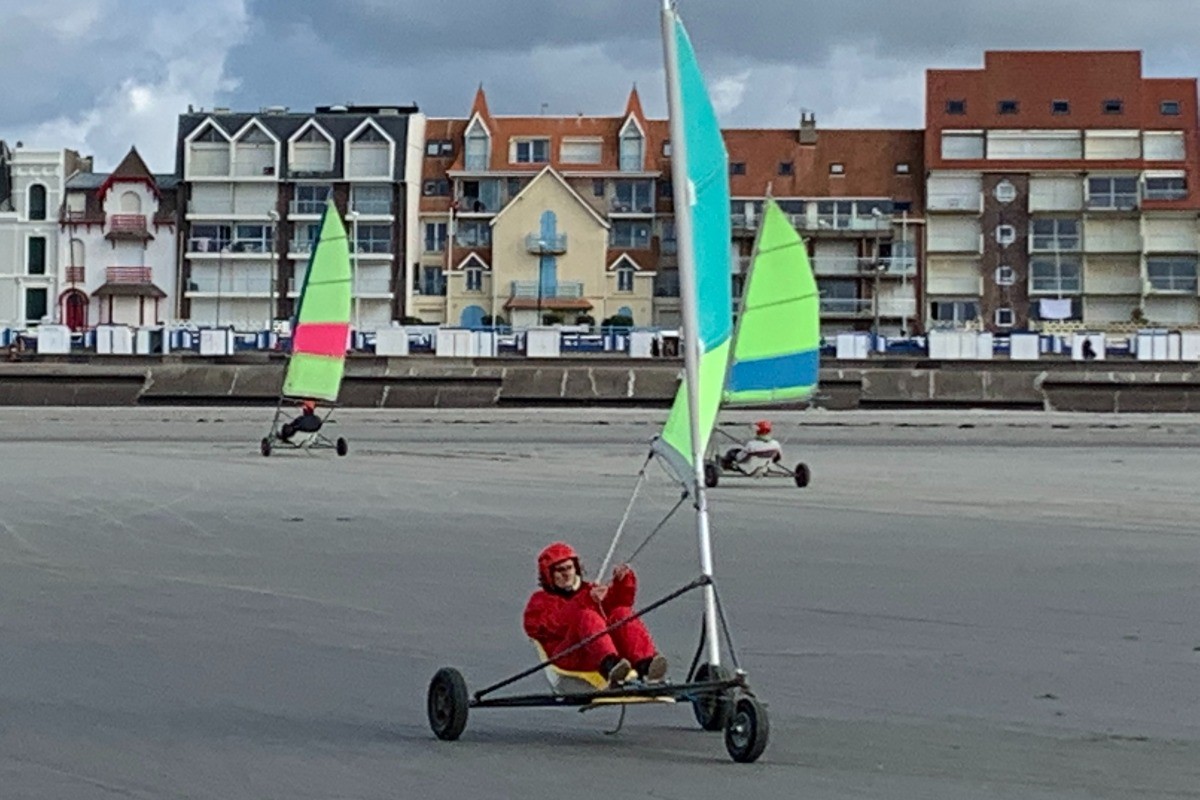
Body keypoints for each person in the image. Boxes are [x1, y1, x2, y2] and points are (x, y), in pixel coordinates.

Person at [523, 542, 668, 688]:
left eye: (569, 568)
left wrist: (621, 582)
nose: (566, 574)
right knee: (587, 617)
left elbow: (616, 605)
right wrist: (585, 601)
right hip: (569, 655)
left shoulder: (589, 590)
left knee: (622, 613)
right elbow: (550, 626)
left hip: (596, 652)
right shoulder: (540, 601)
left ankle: (646, 666)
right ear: (549, 575)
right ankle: (611, 667)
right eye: (560, 570)